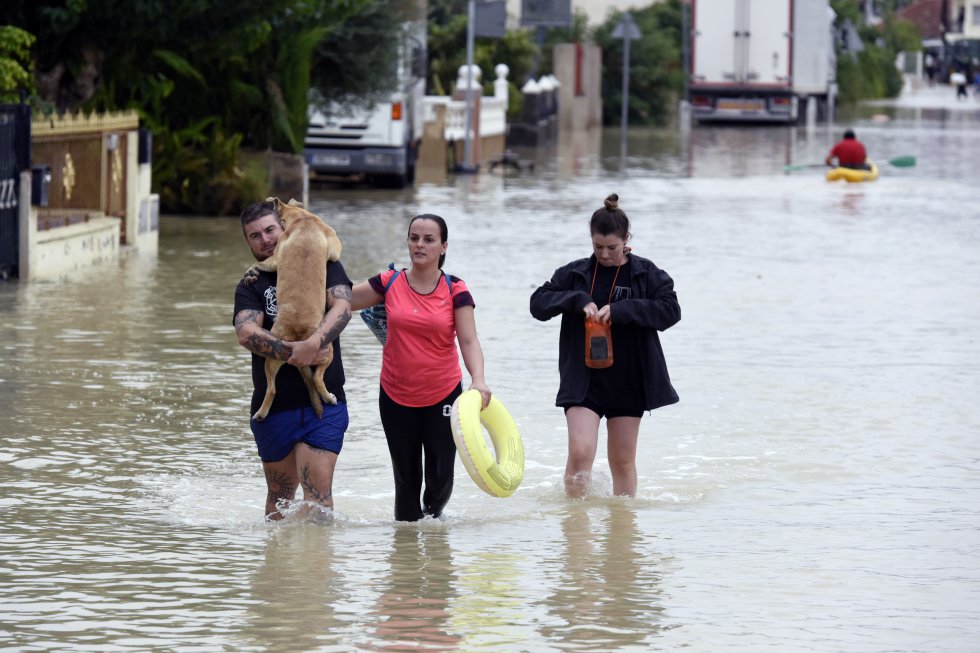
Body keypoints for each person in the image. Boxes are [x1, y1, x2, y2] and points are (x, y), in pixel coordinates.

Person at [530, 194, 680, 498]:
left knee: (623, 461)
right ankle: (574, 532)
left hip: (629, 381)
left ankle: (622, 538)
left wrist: (623, 310)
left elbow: (670, 311)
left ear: (626, 240)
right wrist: (577, 300)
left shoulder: (646, 274)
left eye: (612, 247)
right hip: (584, 380)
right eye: (598, 247)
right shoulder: (575, 274)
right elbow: (538, 304)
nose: (605, 254)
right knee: (581, 453)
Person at [351, 214, 491, 521]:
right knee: (406, 482)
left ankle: (434, 535)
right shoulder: (388, 283)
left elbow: (469, 341)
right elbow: (341, 300)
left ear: (443, 246)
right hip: (395, 395)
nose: (420, 244)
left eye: (428, 239)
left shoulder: (456, 289)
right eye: (414, 237)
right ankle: (406, 561)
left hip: (443, 395)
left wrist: (478, 380)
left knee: (440, 479)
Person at [233, 200, 353, 520]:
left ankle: (316, 567)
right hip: (274, 408)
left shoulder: (321, 258)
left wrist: (315, 342)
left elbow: (342, 307)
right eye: (255, 235)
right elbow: (246, 332)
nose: (266, 239)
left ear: (284, 227)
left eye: (271, 229)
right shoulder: (252, 283)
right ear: (247, 242)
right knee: (280, 497)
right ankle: (278, 568)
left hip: (324, 406)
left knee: (317, 495)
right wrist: (293, 352)